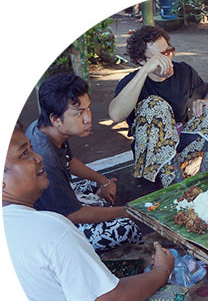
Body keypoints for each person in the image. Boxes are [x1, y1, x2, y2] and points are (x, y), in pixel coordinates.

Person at [3, 124, 192, 301]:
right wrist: (162, 271)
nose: (37, 157)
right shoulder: (50, 229)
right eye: (24, 154)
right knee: (178, 298)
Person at [109, 25, 208, 188]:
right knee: (154, 105)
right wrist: (143, 72)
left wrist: (207, 101)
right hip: (154, 161)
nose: (167, 60)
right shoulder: (132, 82)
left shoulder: (183, 71)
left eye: (169, 51)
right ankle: (176, 188)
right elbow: (115, 115)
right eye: (159, 57)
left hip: (183, 152)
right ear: (142, 61)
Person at [25, 73, 143, 252]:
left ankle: (103, 206)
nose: (88, 118)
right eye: (79, 113)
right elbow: (73, 215)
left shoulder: (45, 128)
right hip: (51, 227)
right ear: (55, 119)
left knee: (94, 185)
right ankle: (130, 263)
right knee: (126, 228)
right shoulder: (46, 159)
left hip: (56, 203)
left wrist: (103, 180)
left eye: (88, 109)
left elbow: (69, 161)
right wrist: (127, 211)